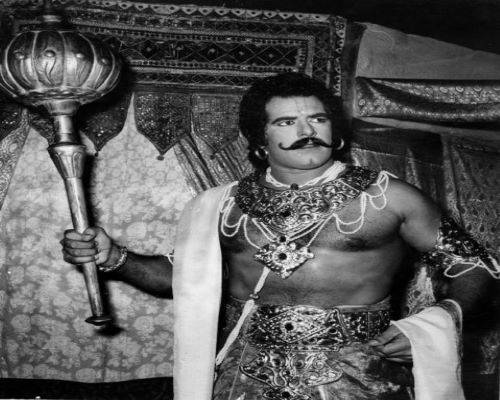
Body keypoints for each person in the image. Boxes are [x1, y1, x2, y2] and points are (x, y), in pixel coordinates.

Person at [62, 73, 499, 400]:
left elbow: (476, 266)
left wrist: (438, 320)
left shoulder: (390, 197)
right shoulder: (219, 205)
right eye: (287, 122)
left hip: (360, 374)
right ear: (259, 139)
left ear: (335, 131)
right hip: (243, 377)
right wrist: (114, 257)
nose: (306, 131)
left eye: (318, 119)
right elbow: (179, 277)